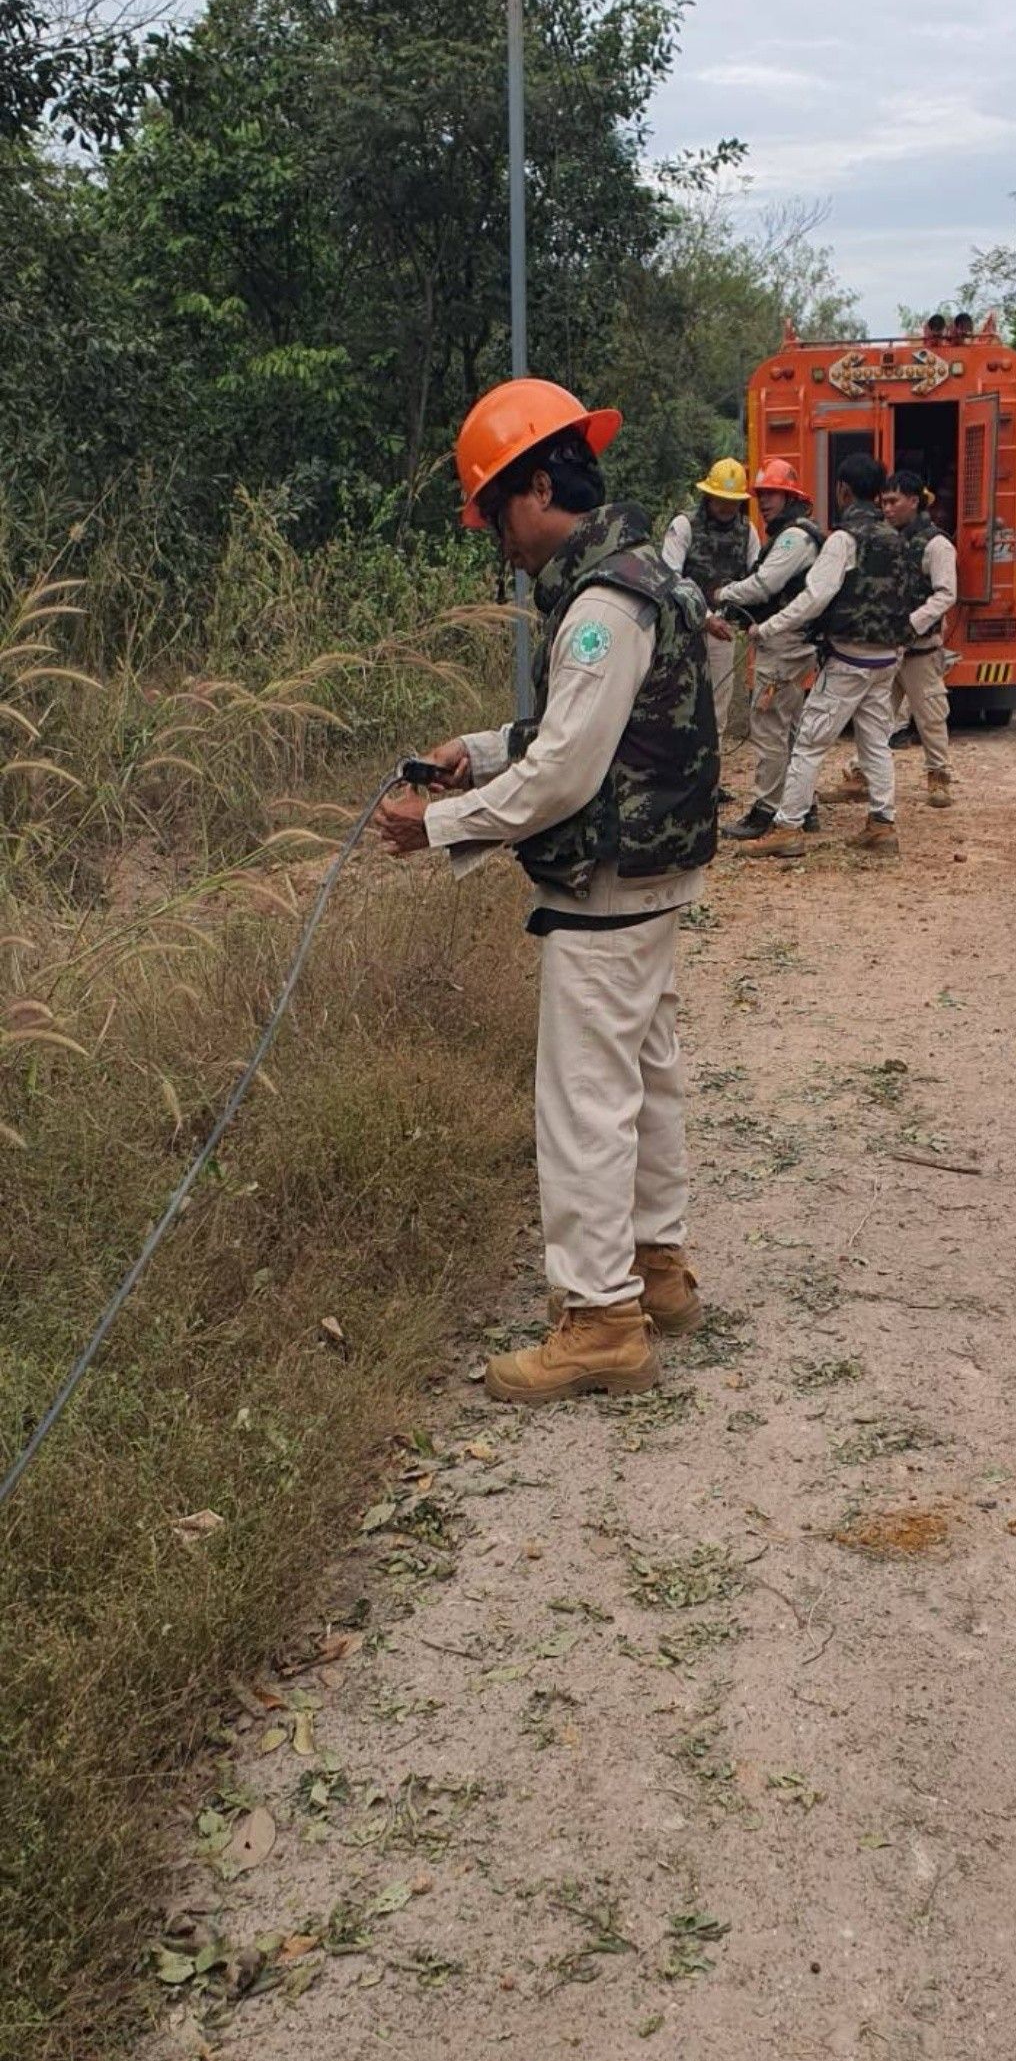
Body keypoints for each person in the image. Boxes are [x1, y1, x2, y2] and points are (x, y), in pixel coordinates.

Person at [375, 377, 718, 1406]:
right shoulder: (641, 573)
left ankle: (598, 1322)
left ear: (533, 487)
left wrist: (434, 821)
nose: (496, 539)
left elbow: (567, 772)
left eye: (493, 513)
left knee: (581, 1101)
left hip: (606, 890)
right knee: (644, 1078)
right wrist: (478, 751)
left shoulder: (602, 601)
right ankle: (656, 1271)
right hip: (651, 878)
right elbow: (598, 731)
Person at [740, 455, 916, 866]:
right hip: (886, 658)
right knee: (875, 741)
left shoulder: (843, 539)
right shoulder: (896, 537)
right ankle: (881, 823)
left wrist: (767, 629)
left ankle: (787, 827)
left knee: (809, 742)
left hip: (850, 658)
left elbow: (814, 597)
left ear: (842, 489)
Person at [717, 458, 825, 840]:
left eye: (771, 494)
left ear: (790, 497)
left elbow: (765, 583)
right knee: (792, 728)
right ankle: (801, 806)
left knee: (769, 727)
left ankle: (766, 810)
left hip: (783, 645)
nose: (763, 501)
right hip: (794, 643)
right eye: (760, 494)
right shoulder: (794, 535)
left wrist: (724, 593)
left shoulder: (793, 538)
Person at [853, 470, 957, 806]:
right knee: (875, 717)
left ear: (914, 501)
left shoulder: (936, 544)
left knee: (930, 714)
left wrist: (912, 623)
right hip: (887, 648)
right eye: (883, 501)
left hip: (919, 649)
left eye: (894, 501)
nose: (887, 508)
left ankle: (939, 778)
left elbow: (946, 594)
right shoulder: (885, 539)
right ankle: (860, 776)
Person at [662, 458, 751, 768]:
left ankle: (711, 777)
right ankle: (679, 773)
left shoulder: (747, 531)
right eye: (721, 500)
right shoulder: (684, 525)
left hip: (724, 629)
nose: (727, 508)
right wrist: (703, 617)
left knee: (718, 705)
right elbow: (669, 576)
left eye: (733, 502)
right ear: (709, 495)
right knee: (681, 700)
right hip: (685, 626)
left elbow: (754, 578)